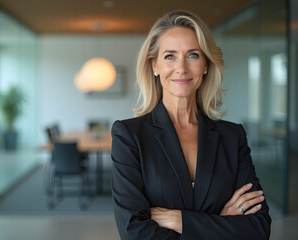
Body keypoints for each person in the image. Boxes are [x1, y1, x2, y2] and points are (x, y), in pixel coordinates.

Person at [110, 10, 271, 239]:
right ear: (154, 65)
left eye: (193, 55)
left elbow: (258, 228)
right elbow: (134, 233)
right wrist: (219, 224)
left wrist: (179, 220)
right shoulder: (129, 135)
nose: (182, 68)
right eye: (170, 56)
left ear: (205, 64)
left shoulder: (232, 136)